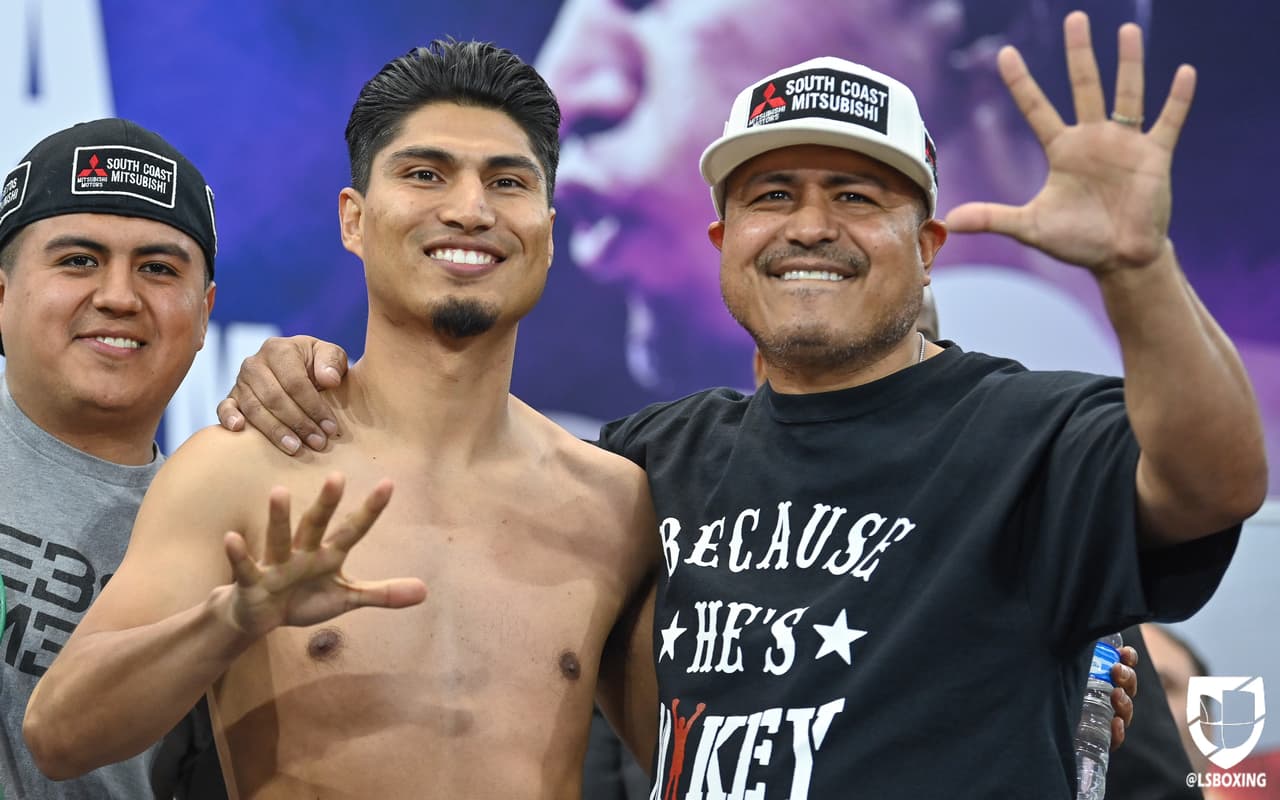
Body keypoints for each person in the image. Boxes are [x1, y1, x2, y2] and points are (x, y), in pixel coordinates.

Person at [224, 12, 1243, 797]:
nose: (809, 226)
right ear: (723, 244)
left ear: (925, 246)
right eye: (769, 195)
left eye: (854, 194)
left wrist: (1137, 268)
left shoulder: (1036, 435)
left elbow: (1213, 480)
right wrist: (316, 378)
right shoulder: (644, 459)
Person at [21, 41, 660, 799]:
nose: (469, 209)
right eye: (425, 174)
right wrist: (237, 617)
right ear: (353, 220)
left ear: (548, 233)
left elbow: (702, 760)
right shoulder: (241, 472)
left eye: (507, 181)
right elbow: (59, 735)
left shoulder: (614, 505)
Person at [0, 119, 224, 798]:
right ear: (1, 293)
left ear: (205, 312)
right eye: (78, 261)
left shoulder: (234, 537)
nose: (120, 297)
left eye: (158, 269)